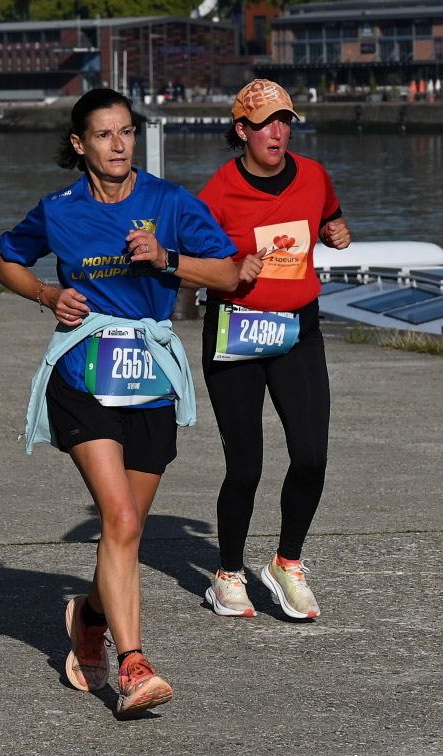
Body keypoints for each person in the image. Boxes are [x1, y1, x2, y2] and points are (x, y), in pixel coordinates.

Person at [0, 88, 237, 715]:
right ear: (80, 144)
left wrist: (168, 258)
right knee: (122, 520)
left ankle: (90, 617)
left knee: (123, 530)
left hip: (149, 379)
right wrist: (48, 296)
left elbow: (231, 273)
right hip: (83, 376)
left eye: (126, 131)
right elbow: (6, 262)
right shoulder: (59, 210)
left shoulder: (168, 202)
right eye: (104, 134)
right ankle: (134, 666)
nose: (119, 144)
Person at [199, 79, 350, 620]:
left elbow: (329, 213)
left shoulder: (314, 176)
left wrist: (335, 229)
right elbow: (188, 262)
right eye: (266, 123)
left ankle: (287, 563)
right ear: (242, 130)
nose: (278, 131)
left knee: (311, 456)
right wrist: (229, 267)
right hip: (236, 331)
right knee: (245, 467)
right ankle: (228, 574)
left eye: (285, 121)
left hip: (297, 331)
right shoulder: (218, 192)